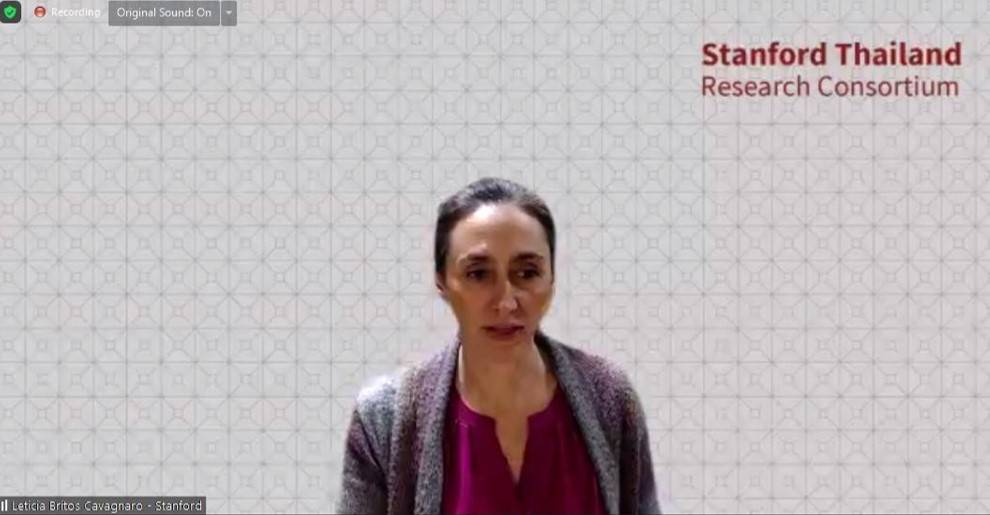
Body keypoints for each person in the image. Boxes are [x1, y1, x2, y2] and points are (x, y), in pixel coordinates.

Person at [336, 177, 661, 514]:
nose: (506, 302)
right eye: (478, 274)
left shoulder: (609, 397)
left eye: (527, 272)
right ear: (441, 281)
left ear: (552, 279)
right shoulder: (383, 419)